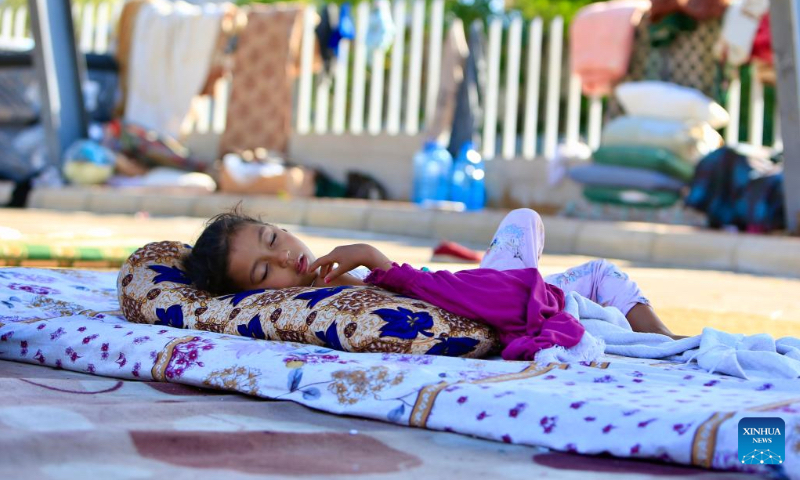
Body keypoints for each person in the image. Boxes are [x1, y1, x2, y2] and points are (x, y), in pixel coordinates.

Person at [183, 207, 681, 359]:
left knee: (585, 266)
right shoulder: (307, 311)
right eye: (266, 271)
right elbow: (422, 301)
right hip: (492, 295)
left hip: (481, 282)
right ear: (254, 297)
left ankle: (668, 343)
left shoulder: (332, 278)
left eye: (273, 237)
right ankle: (672, 349)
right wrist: (381, 266)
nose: (285, 255)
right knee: (594, 274)